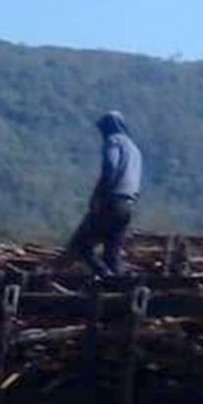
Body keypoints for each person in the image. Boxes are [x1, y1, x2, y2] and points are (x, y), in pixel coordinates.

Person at [63, 110, 143, 279]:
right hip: (127, 206)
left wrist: (98, 195)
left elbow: (110, 168)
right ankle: (118, 284)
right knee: (112, 255)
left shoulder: (113, 141)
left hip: (111, 202)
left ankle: (105, 278)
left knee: (81, 245)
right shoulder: (134, 149)